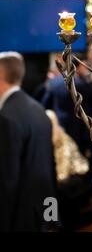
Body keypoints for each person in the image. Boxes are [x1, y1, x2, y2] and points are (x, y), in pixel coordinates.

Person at [0, 52, 56, 231]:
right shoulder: (38, 108)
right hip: (42, 209)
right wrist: (53, 216)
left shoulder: (6, 118)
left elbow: (7, 180)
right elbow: (49, 168)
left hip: (18, 216)